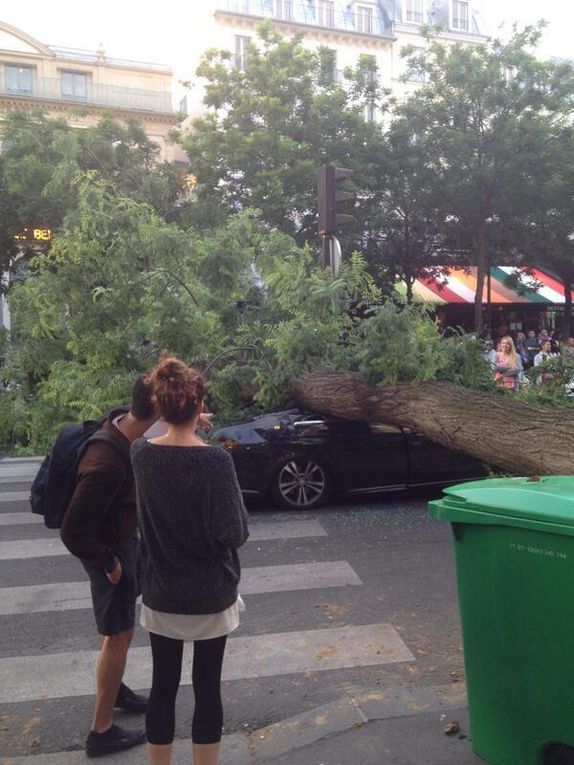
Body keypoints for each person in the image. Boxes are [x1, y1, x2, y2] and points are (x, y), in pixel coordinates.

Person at [131, 357, 249, 765]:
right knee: (207, 687)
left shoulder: (140, 455)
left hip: (161, 592)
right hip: (210, 595)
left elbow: (154, 435)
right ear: (199, 408)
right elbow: (234, 533)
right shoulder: (216, 462)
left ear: (161, 409)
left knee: (163, 685)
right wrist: (193, 426)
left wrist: (182, 421)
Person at [60, 376, 158, 757]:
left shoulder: (123, 422)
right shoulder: (105, 464)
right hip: (108, 548)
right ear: (158, 410)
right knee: (119, 633)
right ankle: (100, 731)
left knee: (117, 630)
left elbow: (154, 420)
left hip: (119, 539)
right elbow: (72, 531)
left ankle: (114, 689)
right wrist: (109, 563)